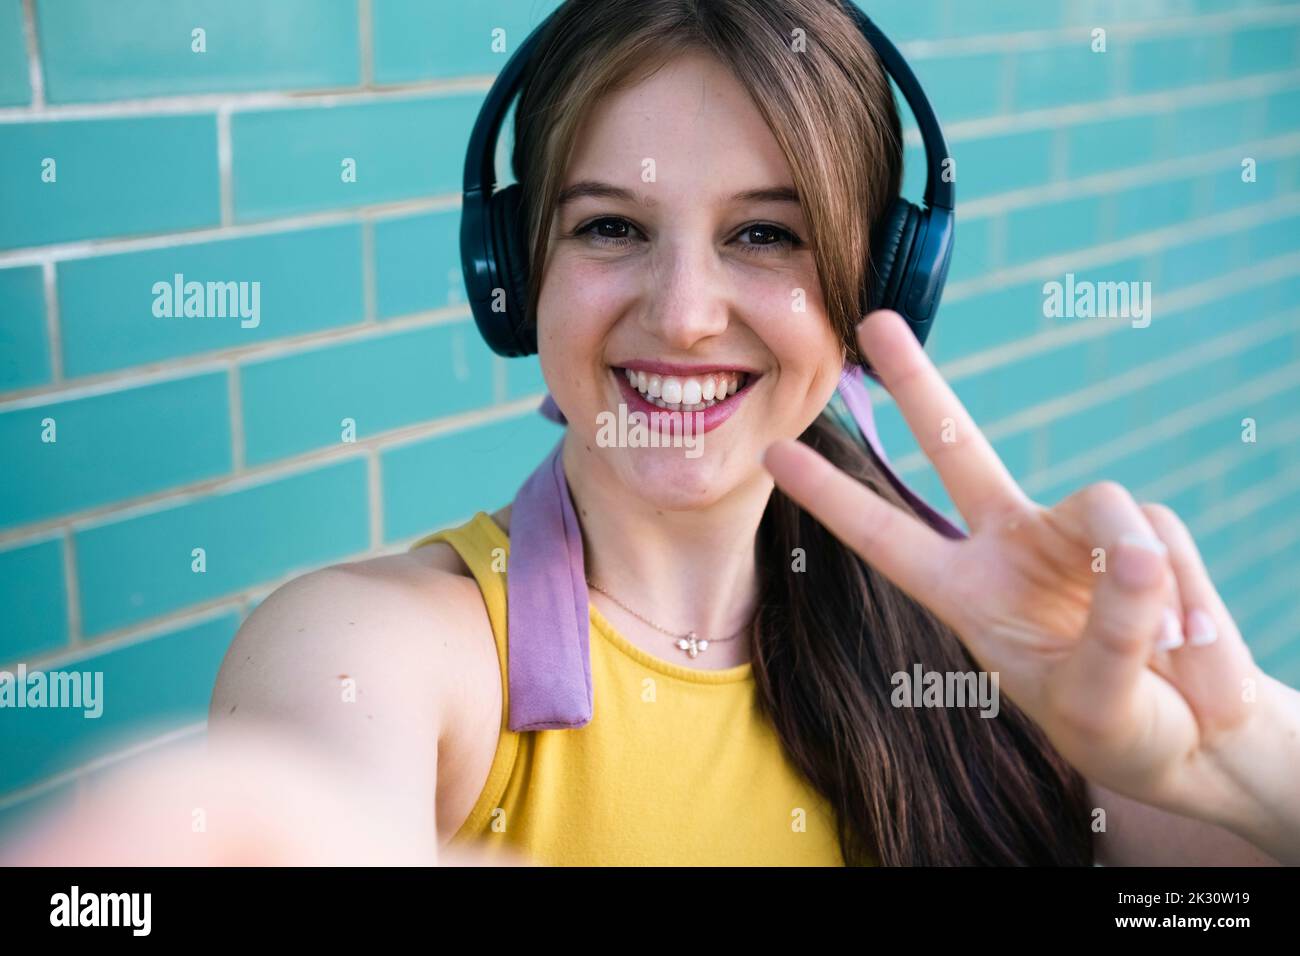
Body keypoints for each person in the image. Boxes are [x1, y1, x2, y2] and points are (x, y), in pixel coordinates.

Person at [12, 0, 1296, 867]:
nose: (684, 315)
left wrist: (1230, 753)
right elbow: (311, 804)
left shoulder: (992, 650)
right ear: (515, 279)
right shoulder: (378, 646)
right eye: (611, 226)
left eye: (765, 233)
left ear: (877, 288)